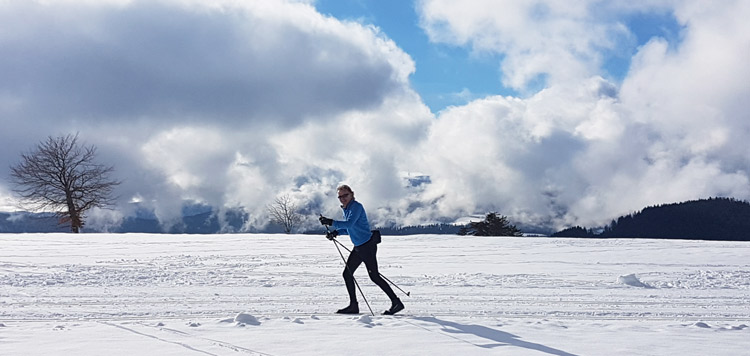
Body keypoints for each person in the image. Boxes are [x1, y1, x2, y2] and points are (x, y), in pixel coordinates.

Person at [319, 184, 404, 315]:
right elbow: (350, 228)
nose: (342, 198)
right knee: (347, 274)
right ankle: (354, 305)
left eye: (345, 195)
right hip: (359, 246)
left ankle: (396, 302)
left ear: (351, 194)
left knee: (374, 276)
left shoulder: (356, 207)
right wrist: (336, 233)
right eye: (340, 197)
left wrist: (331, 222)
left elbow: (349, 224)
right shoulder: (347, 208)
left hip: (367, 246)